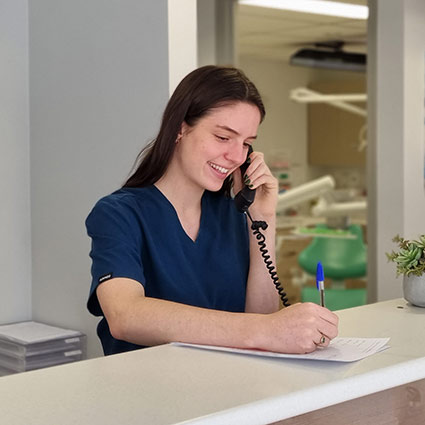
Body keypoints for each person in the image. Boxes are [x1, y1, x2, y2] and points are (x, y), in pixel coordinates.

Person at [86, 65, 338, 356]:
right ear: (181, 127)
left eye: (246, 144)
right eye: (222, 137)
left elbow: (261, 317)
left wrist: (263, 217)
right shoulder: (119, 214)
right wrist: (265, 329)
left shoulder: (233, 214)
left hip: (230, 388)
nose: (235, 156)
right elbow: (125, 316)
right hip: (148, 393)